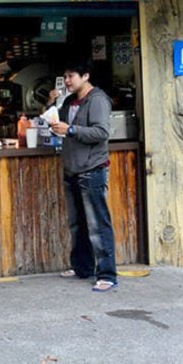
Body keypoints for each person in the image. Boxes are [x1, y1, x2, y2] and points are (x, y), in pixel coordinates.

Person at [48, 58, 117, 292]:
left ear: (85, 76)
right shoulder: (69, 101)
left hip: (92, 170)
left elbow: (101, 132)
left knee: (98, 224)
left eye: (71, 76)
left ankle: (107, 274)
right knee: (78, 224)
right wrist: (51, 109)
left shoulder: (97, 100)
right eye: (65, 76)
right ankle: (82, 268)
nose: (67, 81)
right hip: (72, 169)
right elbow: (58, 122)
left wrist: (72, 129)